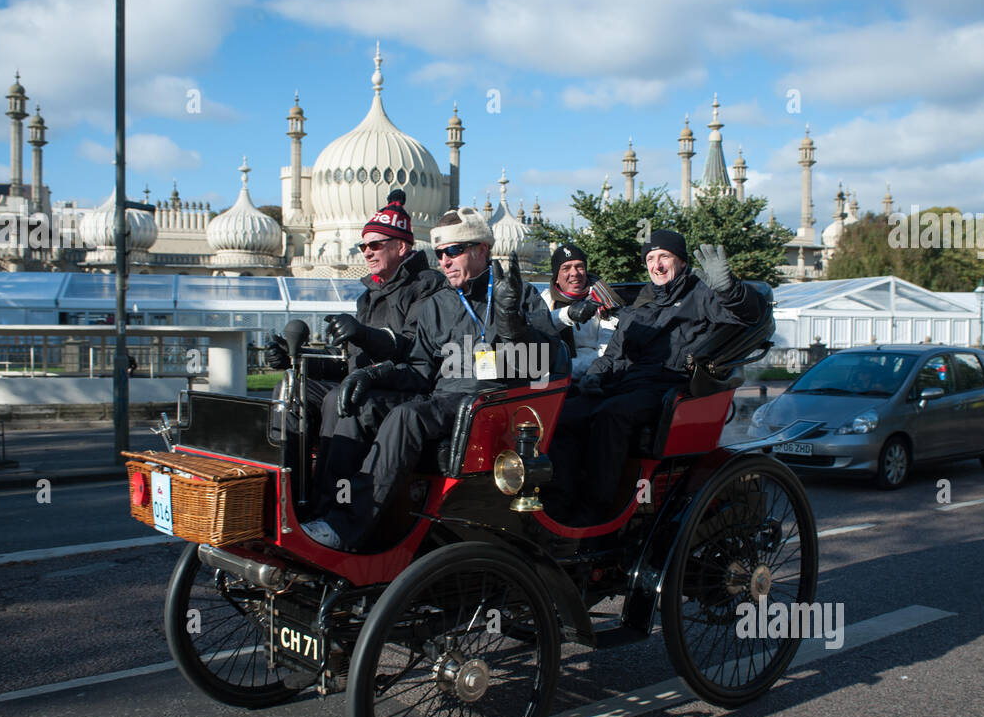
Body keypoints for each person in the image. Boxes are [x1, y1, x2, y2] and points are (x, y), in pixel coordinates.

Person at [303, 206, 561, 550]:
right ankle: (328, 514)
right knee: (356, 406)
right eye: (439, 253)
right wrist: (373, 374)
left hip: (493, 402)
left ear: (481, 249)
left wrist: (512, 320)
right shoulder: (438, 304)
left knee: (407, 416)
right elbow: (420, 370)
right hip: (443, 398)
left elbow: (542, 362)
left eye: (453, 251)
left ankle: (348, 529)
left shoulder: (518, 293)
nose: (444, 261)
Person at [546, 229, 766, 524]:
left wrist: (728, 288)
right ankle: (558, 503)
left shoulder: (700, 294)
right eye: (651, 258)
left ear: (681, 261)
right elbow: (613, 354)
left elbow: (747, 316)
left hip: (668, 385)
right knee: (562, 416)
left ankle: (596, 510)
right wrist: (594, 377)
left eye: (665, 256)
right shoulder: (641, 302)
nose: (657, 265)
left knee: (611, 415)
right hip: (623, 384)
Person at [264, 190, 446, 506]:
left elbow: (416, 352)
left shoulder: (426, 287)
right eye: (363, 245)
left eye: (375, 244)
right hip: (365, 381)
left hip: (407, 385)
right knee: (292, 388)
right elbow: (348, 362)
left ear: (401, 247)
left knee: (342, 398)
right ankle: (289, 494)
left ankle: (334, 502)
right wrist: (298, 360)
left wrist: (364, 335)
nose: (366, 252)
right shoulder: (369, 295)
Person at [539, 242, 620, 378]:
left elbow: (607, 351)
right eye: (566, 268)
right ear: (556, 277)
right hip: (551, 377)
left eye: (579, 267)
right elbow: (537, 329)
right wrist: (568, 315)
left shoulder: (603, 298)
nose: (574, 273)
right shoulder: (545, 300)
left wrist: (567, 368)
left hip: (594, 374)